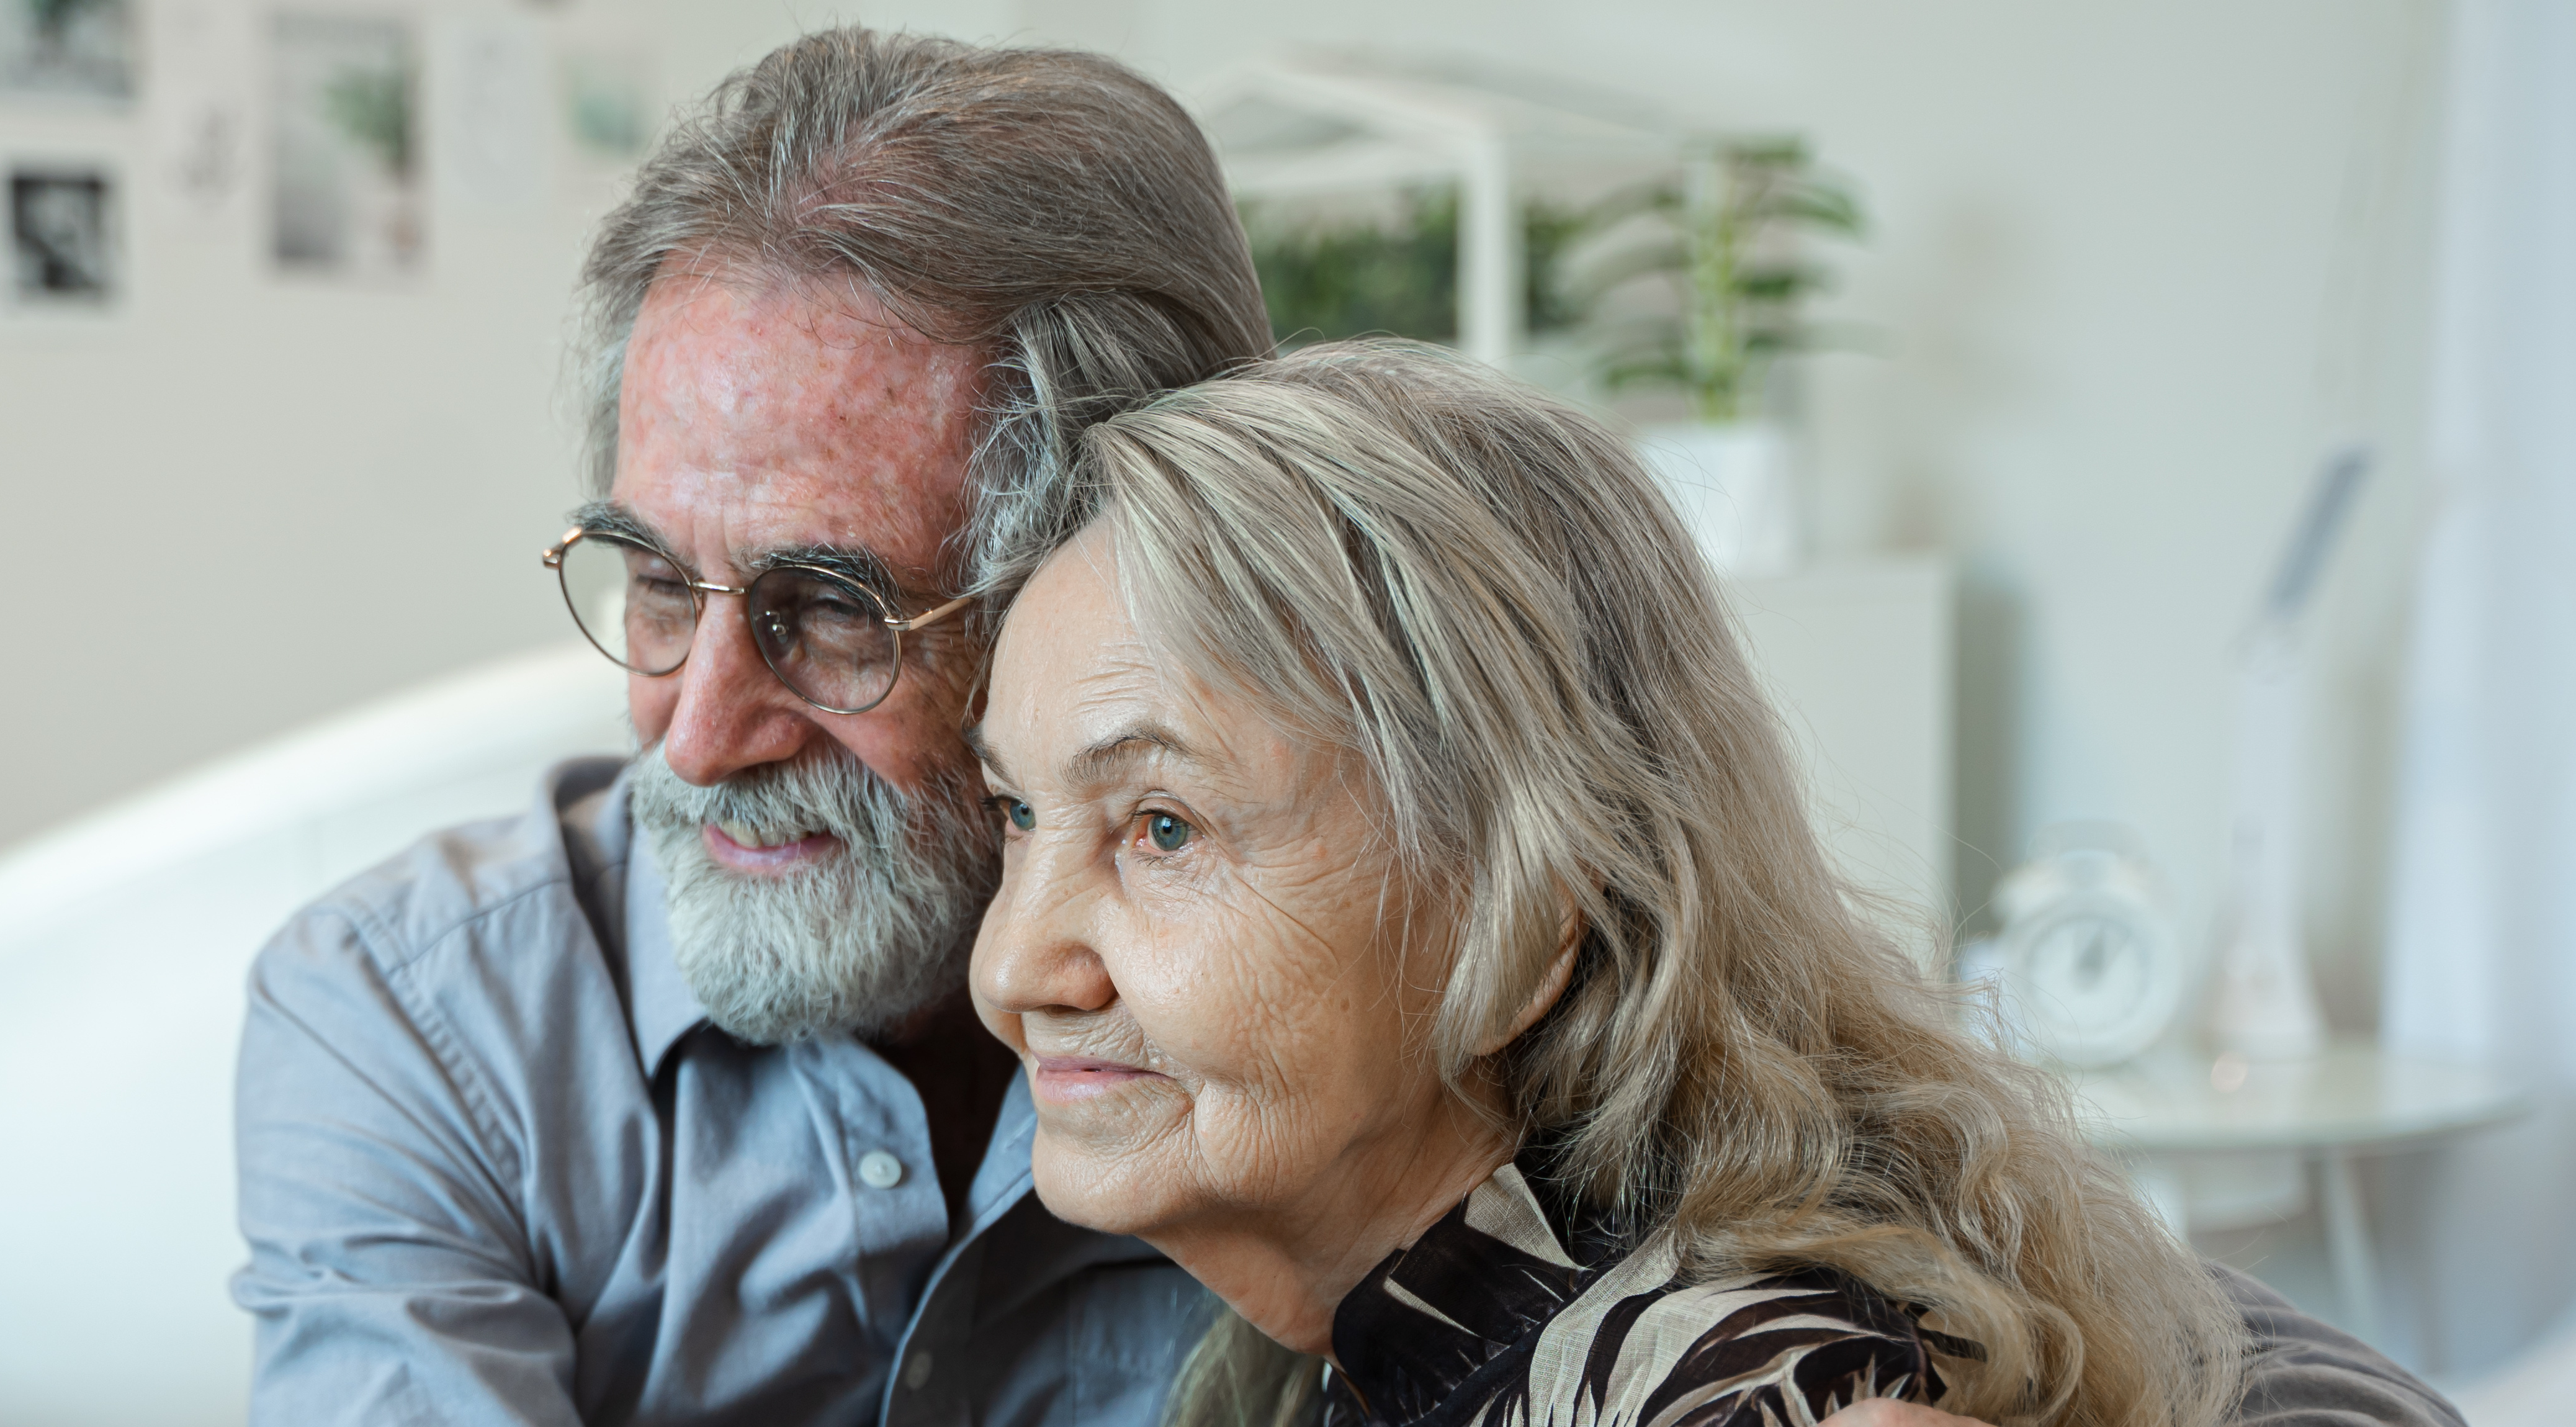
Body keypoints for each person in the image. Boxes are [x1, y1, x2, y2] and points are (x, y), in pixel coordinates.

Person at [231, 25, 2460, 1427]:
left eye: (826, 612)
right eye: (649, 578)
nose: (697, 725)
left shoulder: (1488, 1111)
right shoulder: (416, 1023)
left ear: (1119, 568)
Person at [964, 341, 2467, 1427]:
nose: (1015, 967)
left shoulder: (1732, 1386)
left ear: (1526, 919)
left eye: (1164, 828)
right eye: (1020, 813)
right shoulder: (1404, 1337)